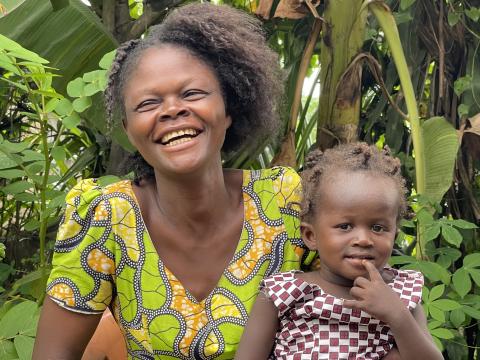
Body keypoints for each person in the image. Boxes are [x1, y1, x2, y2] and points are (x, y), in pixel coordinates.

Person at [33, 3, 315, 359]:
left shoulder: (284, 201)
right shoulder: (109, 217)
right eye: (148, 103)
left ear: (227, 109)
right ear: (129, 132)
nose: (171, 110)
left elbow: (364, 316)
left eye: (191, 94)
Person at [235, 143, 443, 360]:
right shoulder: (283, 294)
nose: (363, 239)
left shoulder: (401, 294)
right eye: (345, 226)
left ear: (395, 235)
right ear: (310, 236)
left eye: (378, 228)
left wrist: (398, 317)